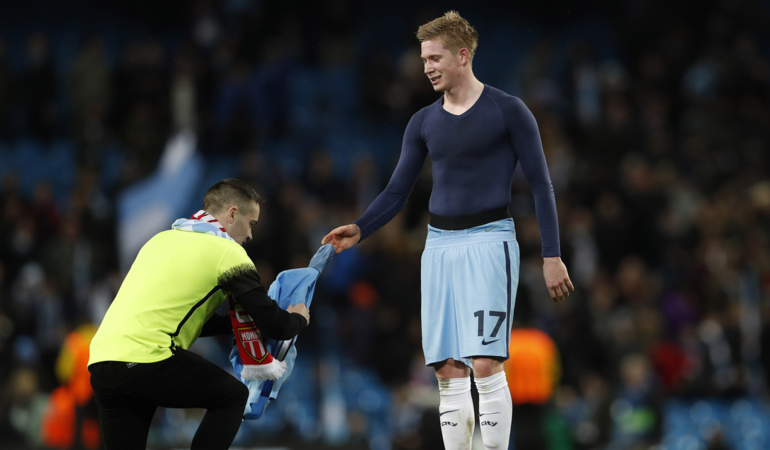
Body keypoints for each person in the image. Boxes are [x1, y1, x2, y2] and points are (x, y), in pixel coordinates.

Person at [322, 11, 573, 450]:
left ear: (462, 55)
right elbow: (398, 191)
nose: (427, 67)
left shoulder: (509, 110)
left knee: (485, 362)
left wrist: (551, 255)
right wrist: (361, 228)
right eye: (423, 60)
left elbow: (540, 184)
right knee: (446, 369)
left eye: (435, 57)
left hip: (488, 242)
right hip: (437, 247)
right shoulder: (422, 121)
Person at [87, 179, 310, 450]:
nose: (251, 235)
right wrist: (299, 317)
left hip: (101, 362)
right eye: (251, 223)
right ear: (232, 214)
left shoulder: (161, 238)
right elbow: (277, 325)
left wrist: (238, 324)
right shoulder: (228, 252)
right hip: (146, 359)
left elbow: (184, 321)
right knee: (232, 397)